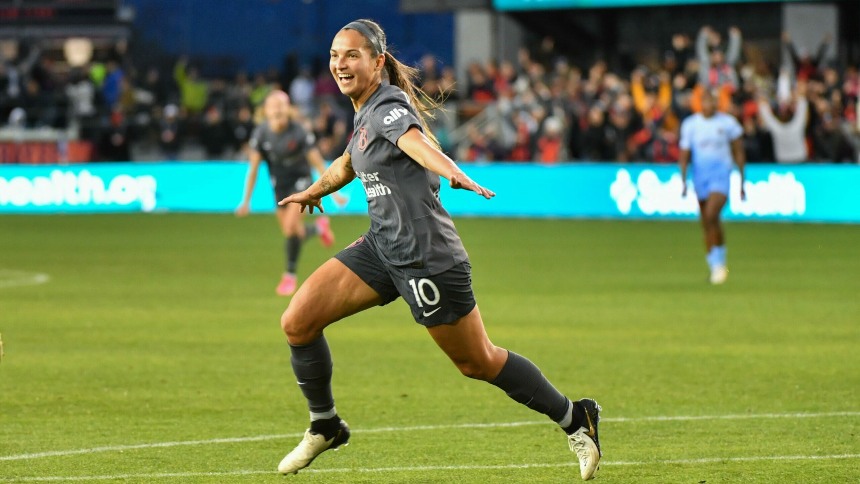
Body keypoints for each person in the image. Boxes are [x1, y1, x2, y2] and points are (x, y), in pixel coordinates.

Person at [274, 19, 602, 481]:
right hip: (381, 247)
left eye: (351, 55)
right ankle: (325, 424)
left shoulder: (387, 105)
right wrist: (315, 190)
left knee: (478, 361)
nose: (339, 64)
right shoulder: (365, 110)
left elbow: (416, 143)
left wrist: (453, 171)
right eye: (334, 54)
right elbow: (350, 160)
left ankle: (576, 416)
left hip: (426, 258)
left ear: (377, 61)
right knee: (298, 321)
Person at [235, 90, 337, 296]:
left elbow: (316, 160)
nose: (278, 109)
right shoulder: (261, 133)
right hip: (279, 185)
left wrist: (332, 191)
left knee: (291, 227)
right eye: (273, 105)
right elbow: (253, 169)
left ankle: (289, 276)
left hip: (301, 182)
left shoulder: (299, 131)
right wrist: (245, 201)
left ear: (288, 109)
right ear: (266, 111)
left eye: (282, 105)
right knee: (293, 232)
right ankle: (318, 229)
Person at [678, 89, 746, 284]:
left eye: (713, 101)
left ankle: (718, 266)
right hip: (700, 176)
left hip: (721, 175)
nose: (710, 105)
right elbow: (684, 155)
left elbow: (739, 152)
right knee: (707, 222)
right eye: (706, 101)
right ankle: (715, 263)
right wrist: (683, 180)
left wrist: (742, 180)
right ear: (701, 103)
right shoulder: (691, 125)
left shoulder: (728, 124)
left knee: (711, 214)